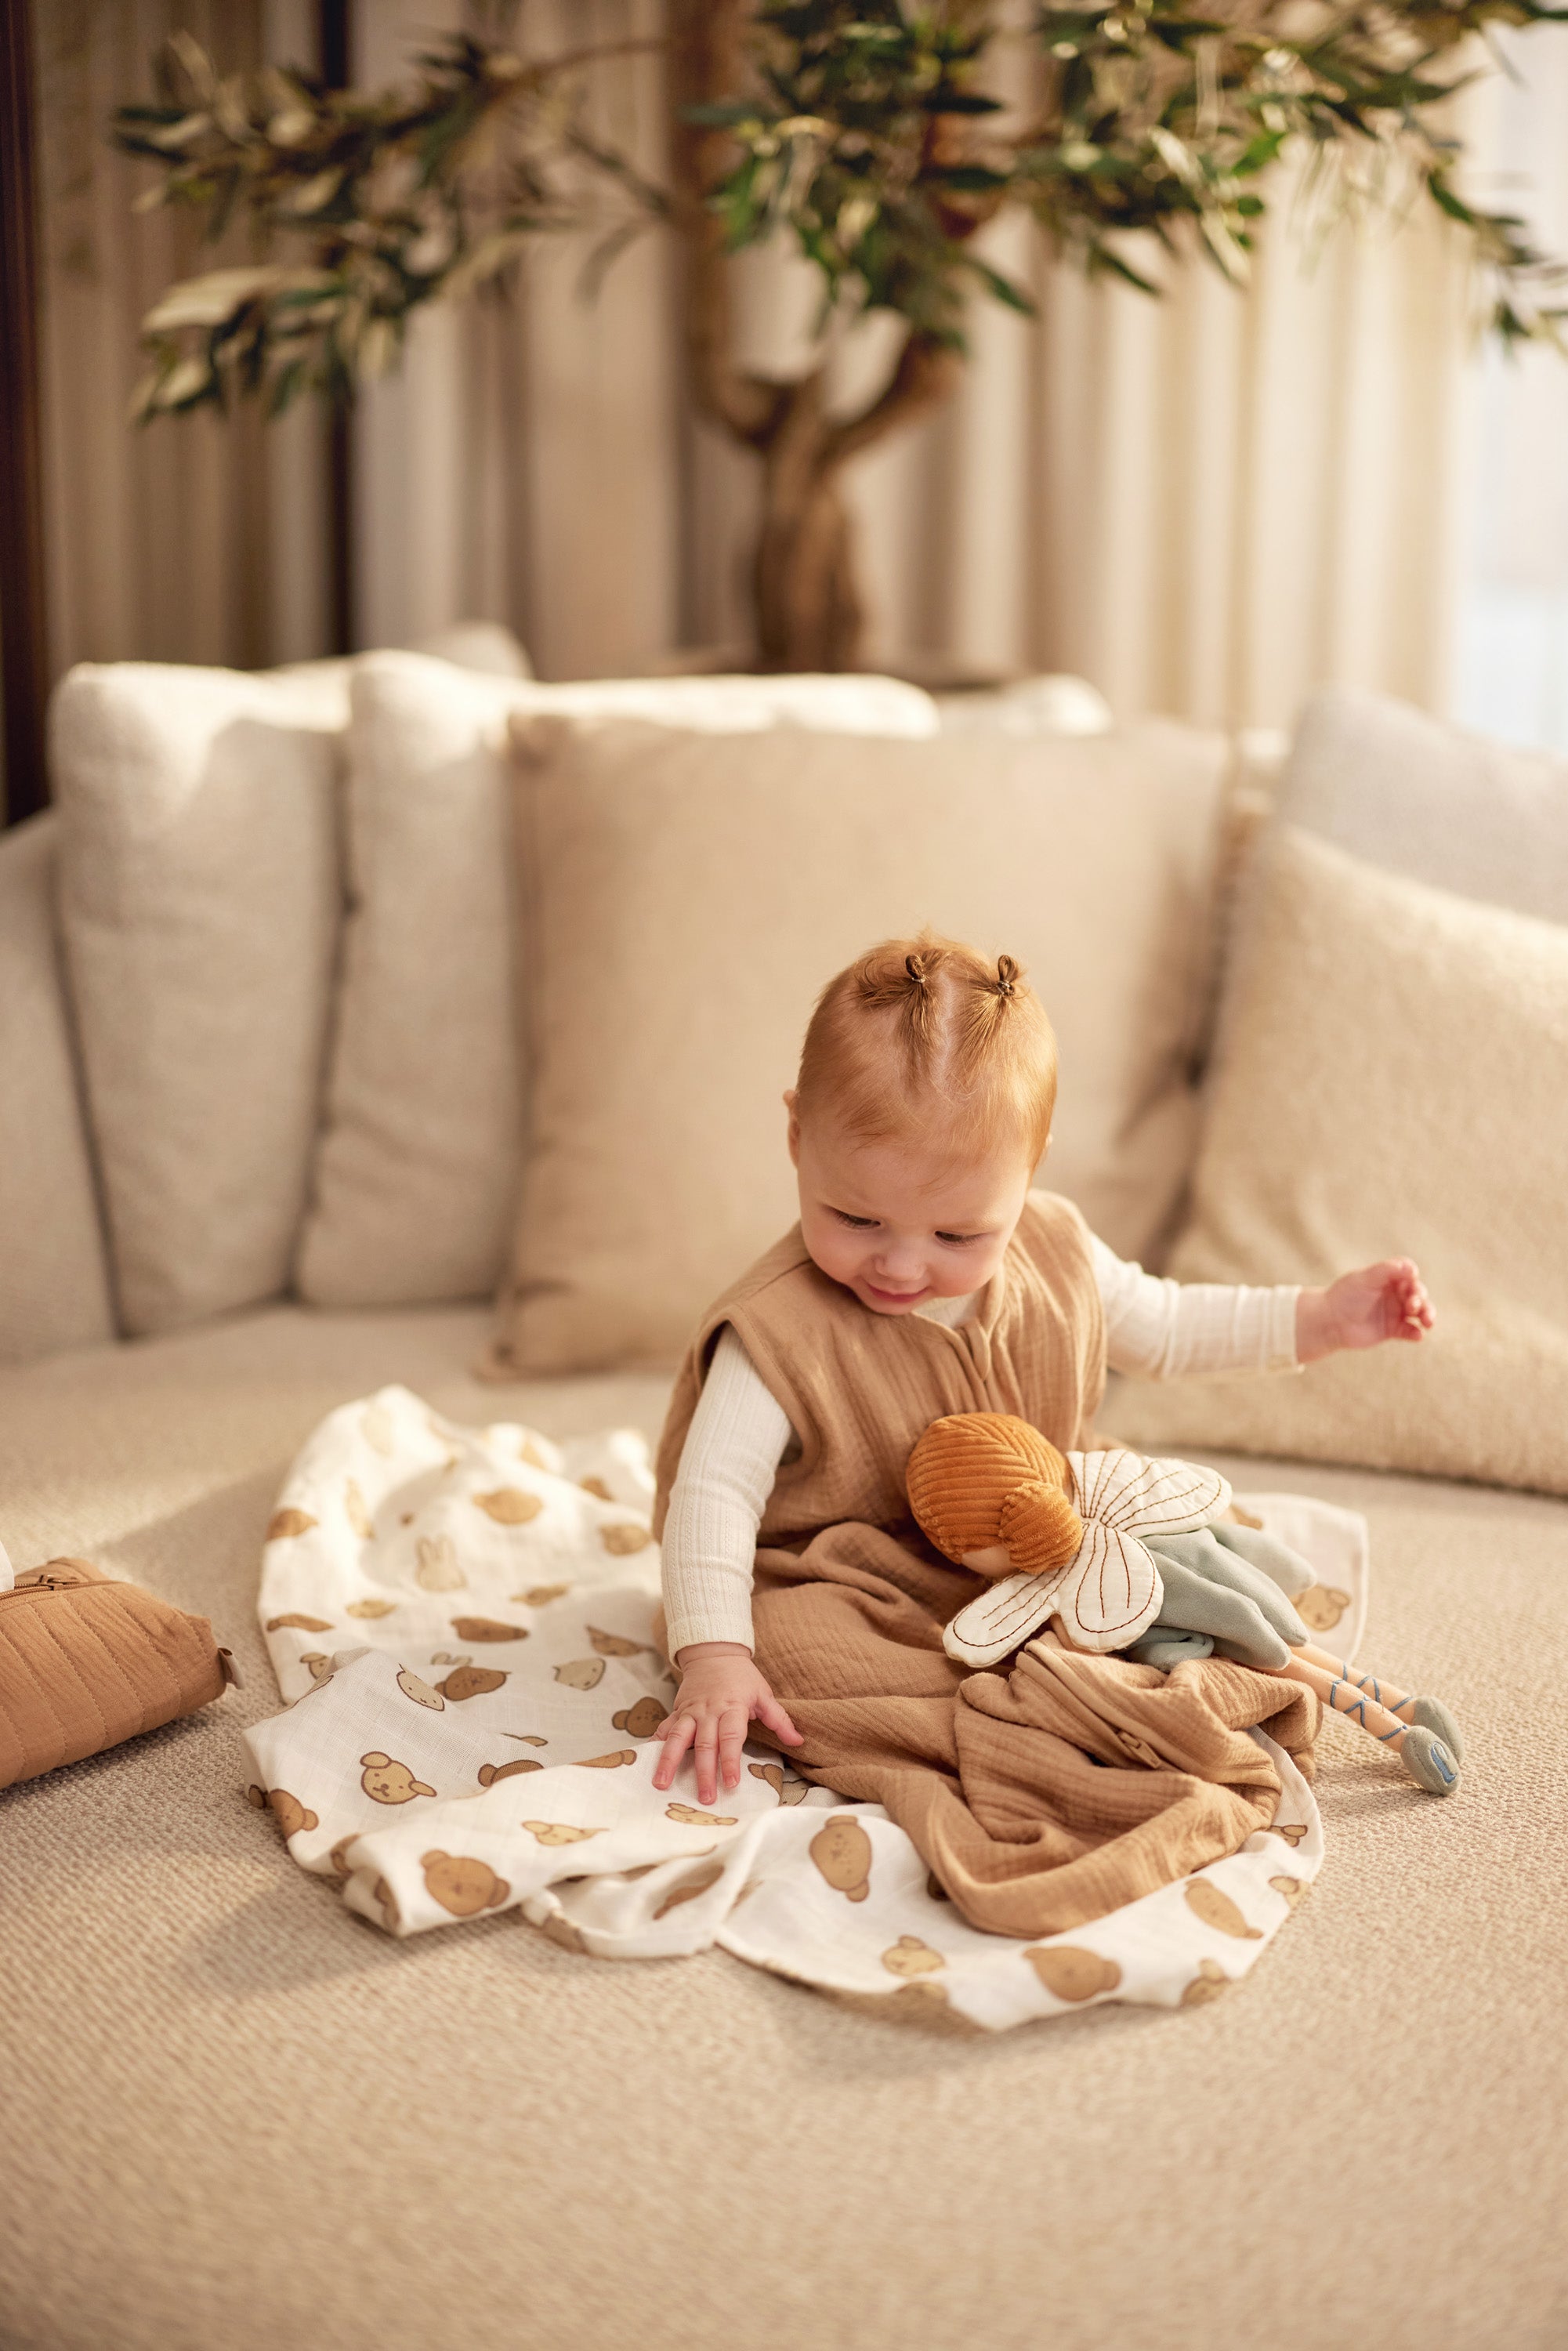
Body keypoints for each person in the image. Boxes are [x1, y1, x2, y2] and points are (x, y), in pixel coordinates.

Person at [647, 935, 1434, 1921]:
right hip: (846, 1567)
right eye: (854, 1217)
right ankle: (1036, 1723)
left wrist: (1318, 1318)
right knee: (801, 1654)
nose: (899, 1266)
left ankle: (1133, 1669)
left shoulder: (1058, 1247)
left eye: (957, 1235)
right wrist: (713, 1656)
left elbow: (1169, 1326)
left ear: (1030, 1171)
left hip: (1039, 1532)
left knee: (1189, 1529)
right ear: (798, 1136)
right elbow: (710, 1500)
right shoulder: (772, 1335)